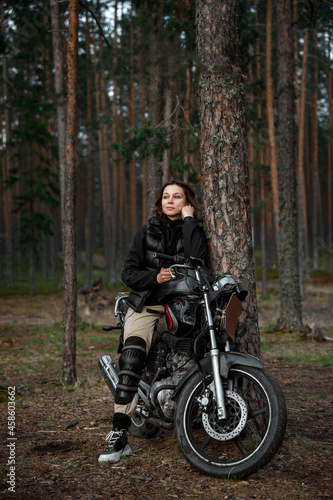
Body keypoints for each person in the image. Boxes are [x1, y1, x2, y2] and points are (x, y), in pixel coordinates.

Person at [98, 180, 207, 463]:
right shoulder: (145, 232)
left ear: (187, 202)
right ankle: (119, 436)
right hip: (147, 304)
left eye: (177, 197)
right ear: (160, 202)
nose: (170, 201)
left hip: (183, 305)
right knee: (132, 356)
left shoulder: (195, 229)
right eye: (166, 197)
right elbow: (128, 273)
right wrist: (155, 277)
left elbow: (196, 258)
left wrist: (189, 222)